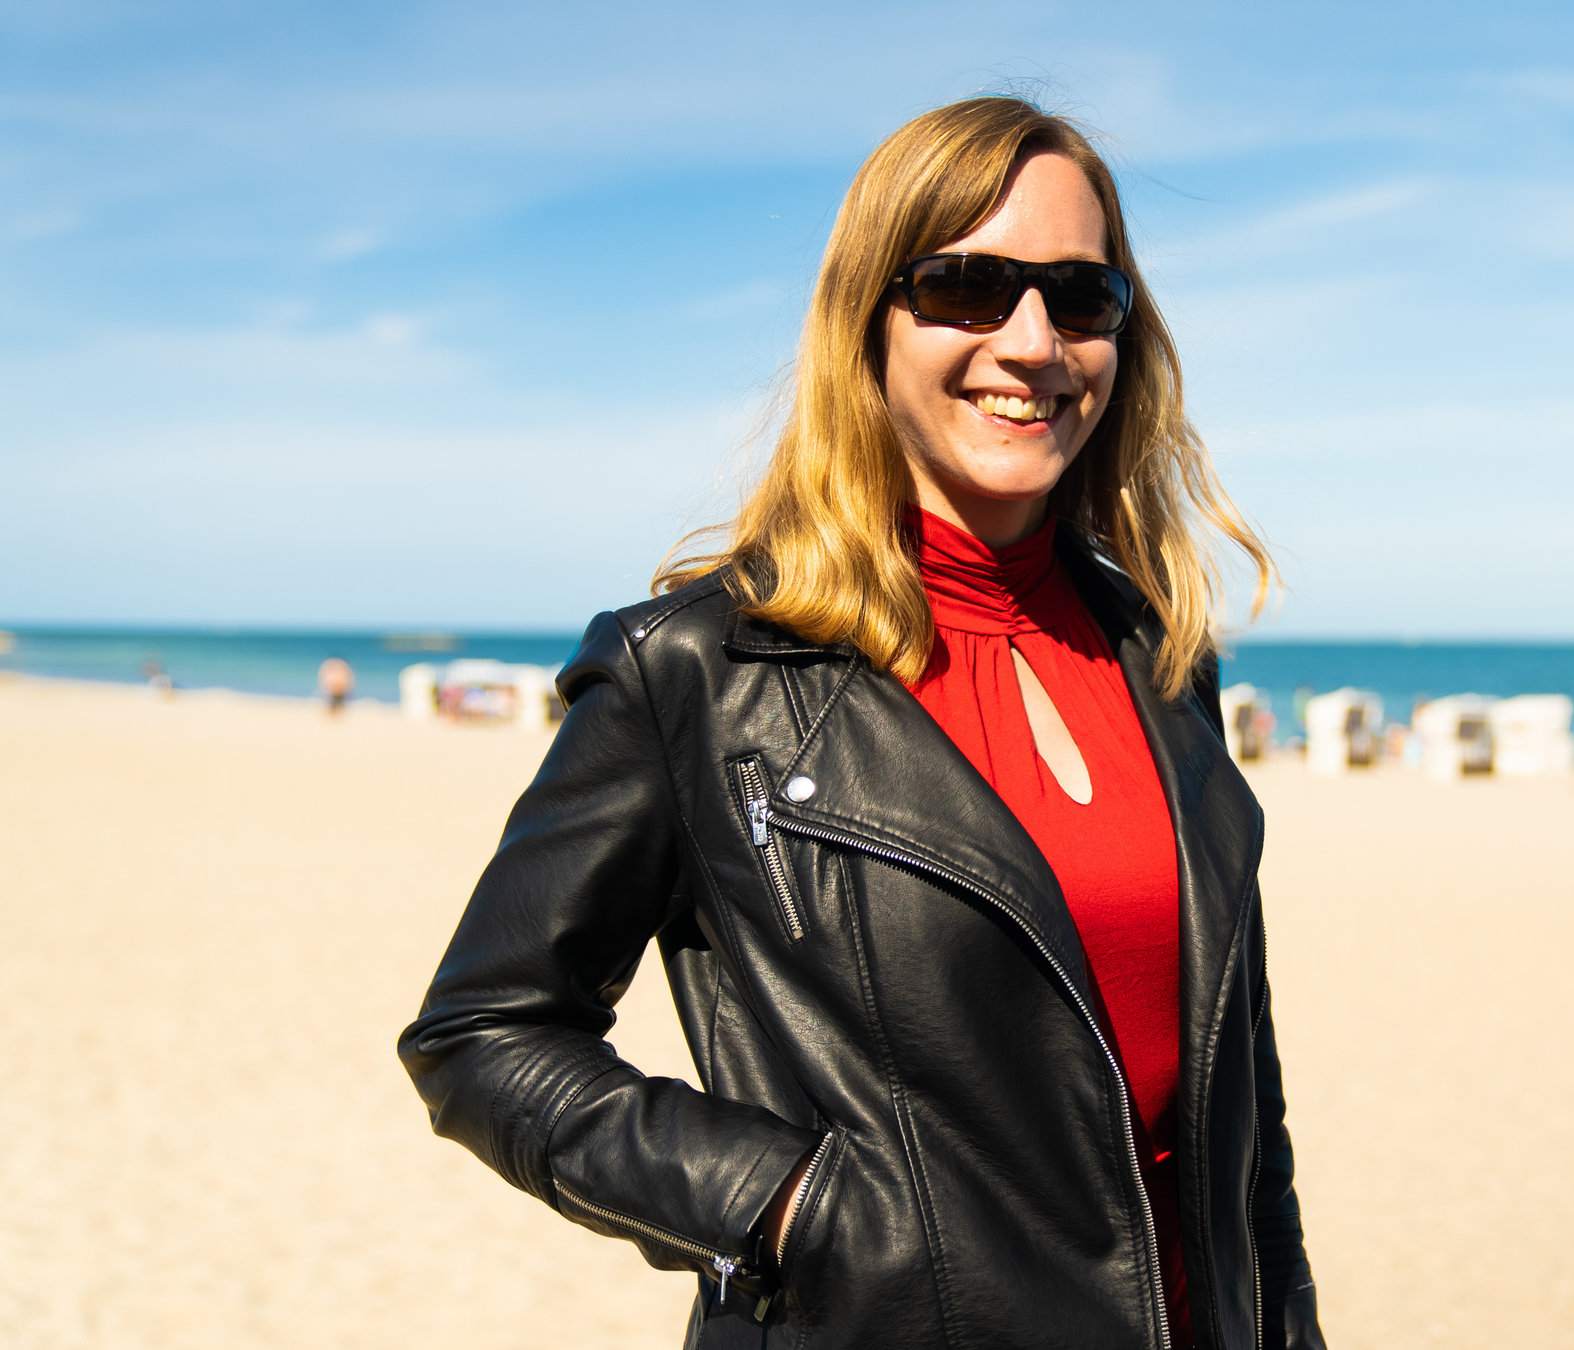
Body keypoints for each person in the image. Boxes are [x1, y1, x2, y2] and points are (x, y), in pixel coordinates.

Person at [399, 96, 1325, 1350]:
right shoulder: (696, 673)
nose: (1033, 342)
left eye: (1080, 295)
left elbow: (1243, 1117)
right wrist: (791, 1205)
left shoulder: (1162, 659)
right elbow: (483, 1033)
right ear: (867, 324)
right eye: (968, 287)